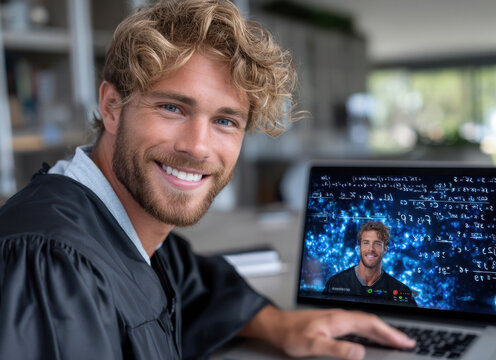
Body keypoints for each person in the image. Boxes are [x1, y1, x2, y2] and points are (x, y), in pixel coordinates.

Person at [0, 1, 415, 359]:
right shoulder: (51, 262)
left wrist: (280, 325)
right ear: (112, 107)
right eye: (172, 108)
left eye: (224, 121)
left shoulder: (129, 229)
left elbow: (198, 287)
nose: (198, 147)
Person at [324, 221, 417, 307]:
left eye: (377, 244)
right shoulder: (336, 283)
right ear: (359, 247)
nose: (371, 249)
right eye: (366, 243)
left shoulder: (401, 291)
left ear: (385, 249)